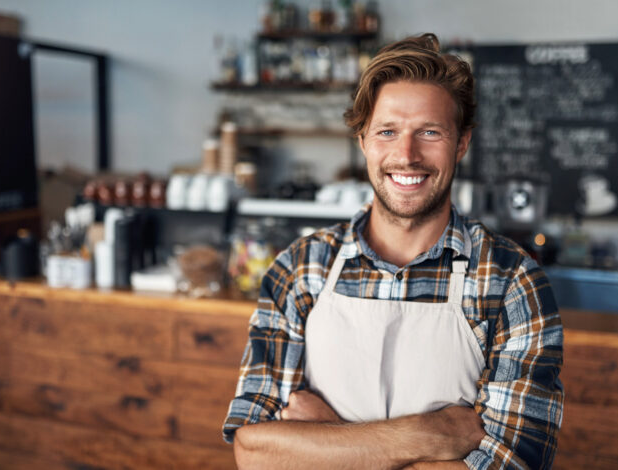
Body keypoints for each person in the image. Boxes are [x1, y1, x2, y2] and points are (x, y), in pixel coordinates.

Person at [223, 33, 564, 469]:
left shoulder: (512, 282)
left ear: (461, 143)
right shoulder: (300, 268)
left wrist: (326, 439)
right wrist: (433, 434)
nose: (407, 155)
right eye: (387, 131)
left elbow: (513, 465)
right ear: (362, 140)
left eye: (429, 132)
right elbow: (254, 452)